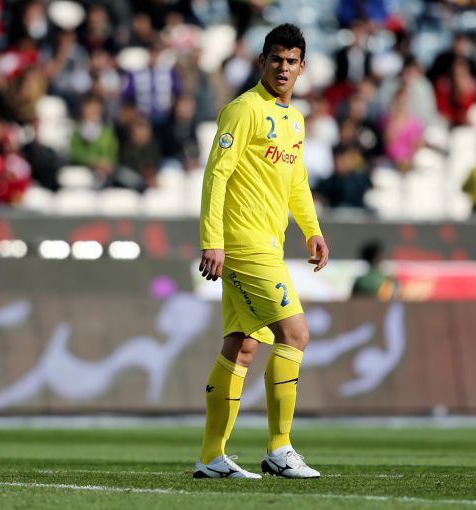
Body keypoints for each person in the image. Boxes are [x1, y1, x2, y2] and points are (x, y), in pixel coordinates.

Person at [195, 23, 329, 480]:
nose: (283, 68)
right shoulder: (242, 110)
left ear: (302, 67)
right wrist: (212, 240)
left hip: (269, 242)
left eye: (291, 61)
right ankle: (279, 448)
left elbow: (297, 181)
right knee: (295, 333)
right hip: (244, 244)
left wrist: (312, 230)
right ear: (262, 61)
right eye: (276, 59)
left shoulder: (295, 120)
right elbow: (216, 175)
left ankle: (211, 457)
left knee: (243, 345)